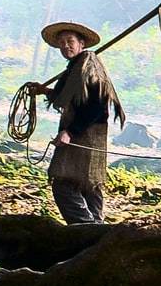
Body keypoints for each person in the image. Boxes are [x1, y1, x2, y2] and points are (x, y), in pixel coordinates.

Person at [40, 19, 124, 225]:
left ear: (81, 44)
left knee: (64, 184)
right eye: (61, 43)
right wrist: (44, 91)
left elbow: (96, 105)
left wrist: (70, 131)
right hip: (84, 135)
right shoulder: (76, 67)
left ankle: (85, 230)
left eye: (70, 41)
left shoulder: (90, 66)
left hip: (86, 135)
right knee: (89, 186)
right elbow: (72, 97)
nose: (65, 46)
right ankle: (98, 231)